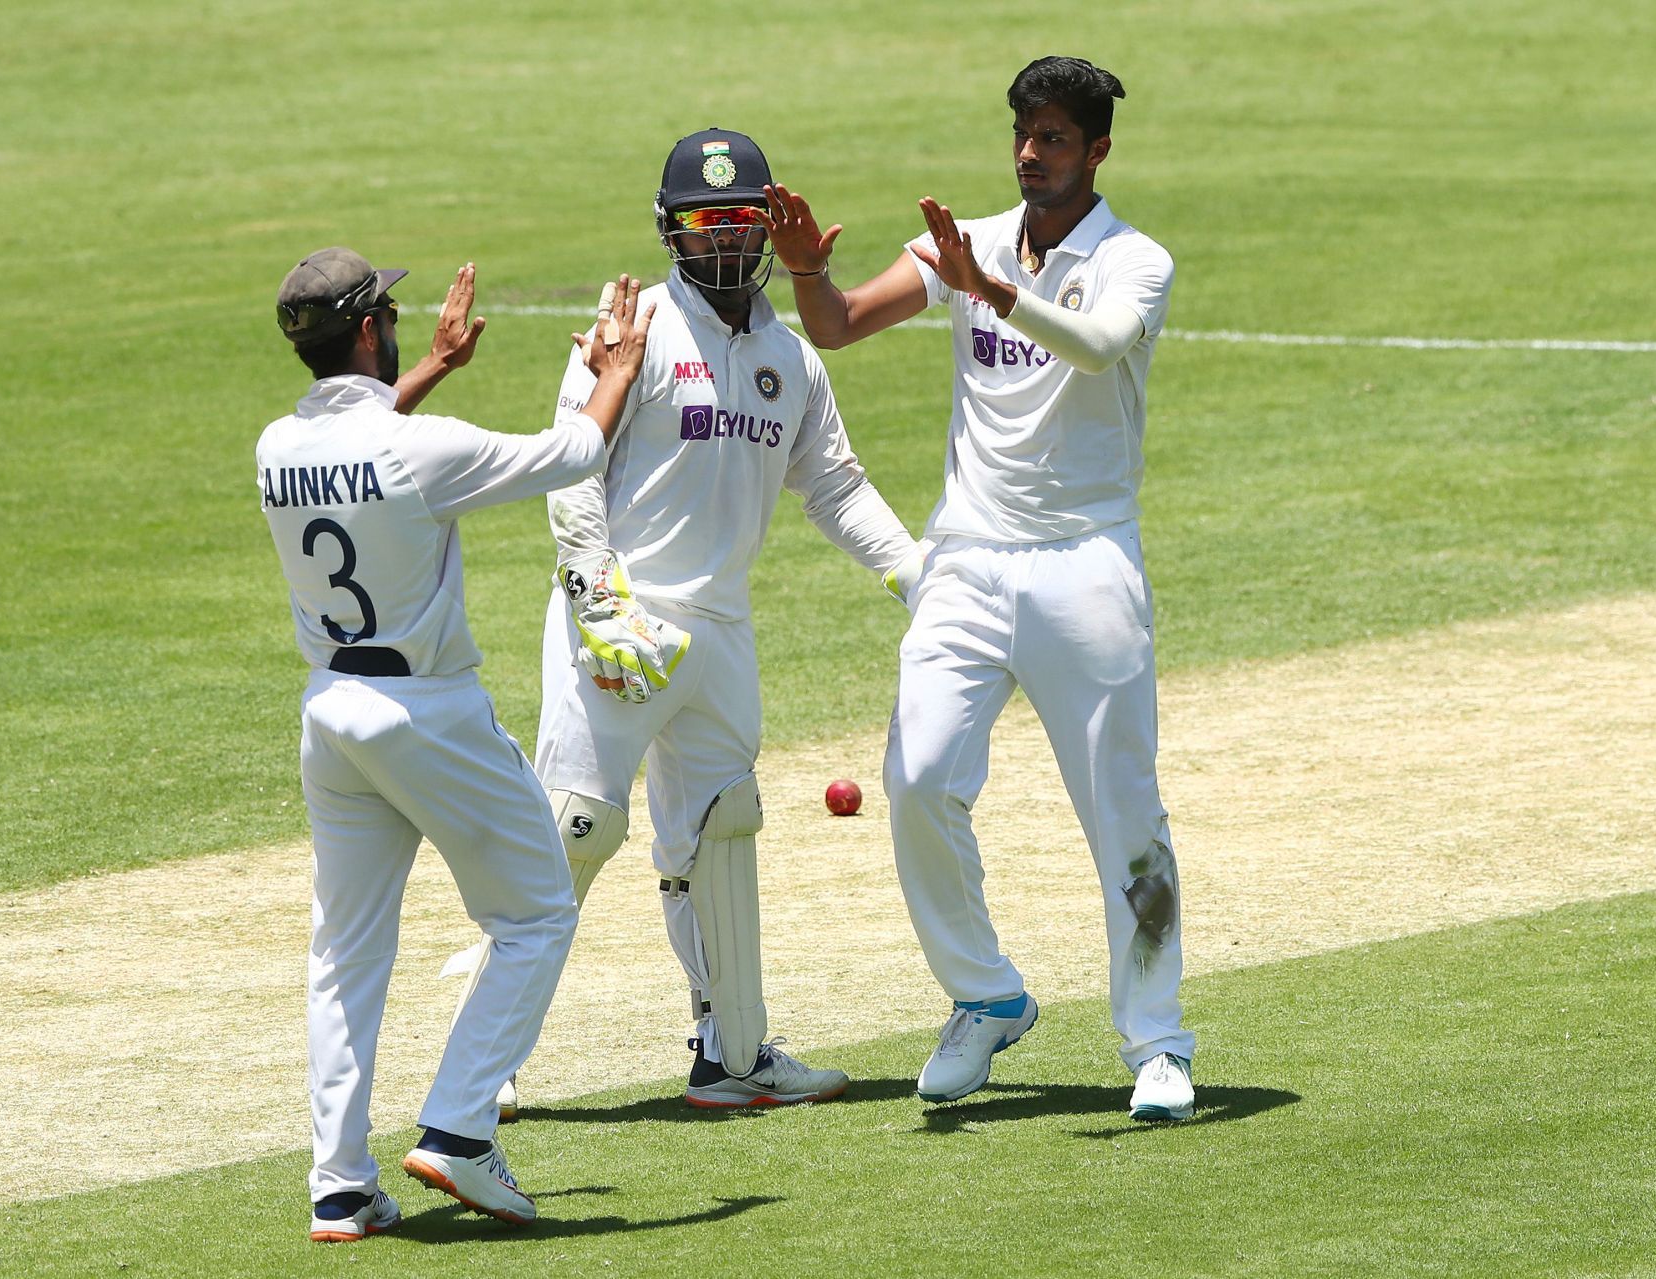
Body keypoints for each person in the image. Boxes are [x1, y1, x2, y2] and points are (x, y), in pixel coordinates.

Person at [445, 127, 921, 1112]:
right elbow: (570, 466)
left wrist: (915, 574)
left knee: (722, 826)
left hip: (718, 629)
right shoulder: (633, 331)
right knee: (575, 828)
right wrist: (596, 596)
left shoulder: (791, 360)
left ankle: (733, 1055)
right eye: (706, 223)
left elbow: (835, 488)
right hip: (616, 624)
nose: (727, 242)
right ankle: (480, 1074)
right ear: (670, 231)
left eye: (742, 221)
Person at [758, 56, 1197, 1120]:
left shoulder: (1134, 259)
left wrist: (992, 291)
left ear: (1097, 150)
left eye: (1054, 138)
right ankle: (986, 995)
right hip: (967, 559)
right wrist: (809, 272)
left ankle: (1158, 1043)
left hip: (1085, 562)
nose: (1032, 154)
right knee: (916, 781)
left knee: (1123, 810)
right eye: (1023, 135)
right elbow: (838, 326)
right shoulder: (969, 241)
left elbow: (1093, 347)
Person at [260, 247, 659, 1240]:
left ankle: (342, 1184)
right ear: (365, 331)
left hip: (331, 714)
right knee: (535, 911)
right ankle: (461, 1126)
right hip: (427, 711)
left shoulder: (276, 446)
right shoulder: (417, 448)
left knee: (344, 955)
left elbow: (365, 440)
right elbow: (571, 455)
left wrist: (429, 369)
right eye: (387, 314)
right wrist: (615, 370)